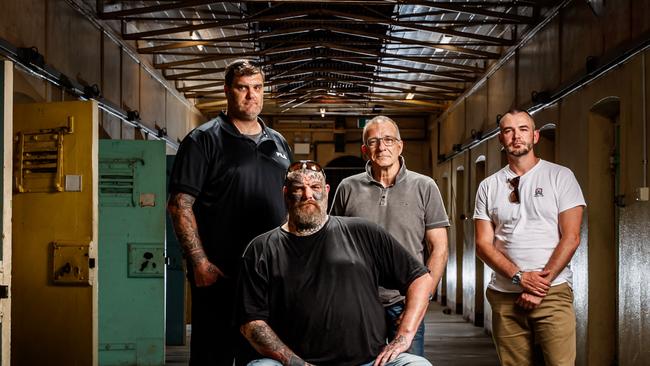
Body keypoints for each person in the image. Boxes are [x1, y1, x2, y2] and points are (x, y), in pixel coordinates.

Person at [237, 160, 434, 366]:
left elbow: (420, 278)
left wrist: (404, 338)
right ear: (285, 192)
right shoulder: (261, 249)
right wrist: (295, 363)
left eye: (315, 187)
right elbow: (251, 323)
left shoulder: (363, 232)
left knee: (417, 364)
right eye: (298, 189)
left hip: (369, 362)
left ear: (327, 190)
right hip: (294, 363)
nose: (308, 195)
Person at [167, 59, 292, 365]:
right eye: (242, 88)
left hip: (267, 275)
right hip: (220, 274)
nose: (252, 95)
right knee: (214, 355)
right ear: (227, 91)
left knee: (263, 357)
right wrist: (199, 262)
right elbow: (180, 204)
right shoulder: (204, 140)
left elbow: (288, 206)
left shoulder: (278, 143)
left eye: (258, 88)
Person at [473, 109, 586, 365]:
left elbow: (571, 237)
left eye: (523, 129)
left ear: (535, 136)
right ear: (500, 139)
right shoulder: (488, 186)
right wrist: (519, 277)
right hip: (505, 294)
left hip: (553, 293)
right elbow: (482, 244)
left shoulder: (560, 176)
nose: (516, 136)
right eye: (508, 130)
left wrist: (538, 287)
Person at [330, 115, 449, 356]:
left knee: (407, 362)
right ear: (365, 150)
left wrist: (421, 300)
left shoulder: (424, 186)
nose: (382, 146)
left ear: (400, 145)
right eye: (373, 141)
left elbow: (439, 249)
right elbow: (332, 246)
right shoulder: (347, 188)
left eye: (388, 139)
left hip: (405, 301)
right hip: (358, 303)